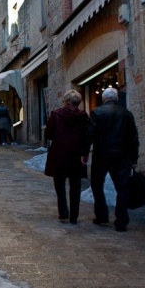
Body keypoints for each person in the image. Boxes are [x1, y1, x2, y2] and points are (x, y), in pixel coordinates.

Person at [82, 87, 139, 232]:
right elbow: (133, 138)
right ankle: (121, 221)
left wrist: (85, 152)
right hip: (121, 156)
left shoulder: (97, 112)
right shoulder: (127, 114)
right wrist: (133, 157)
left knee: (97, 185)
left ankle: (101, 216)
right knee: (122, 188)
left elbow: (89, 134)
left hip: (101, 155)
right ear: (117, 98)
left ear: (103, 99)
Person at [44, 90, 89, 224]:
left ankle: (63, 212)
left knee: (59, 183)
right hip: (76, 154)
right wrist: (84, 152)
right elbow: (86, 136)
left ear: (66, 101)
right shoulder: (83, 116)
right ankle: (74, 215)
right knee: (75, 184)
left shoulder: (56, 114)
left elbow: (49, 134)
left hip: (59, 153)